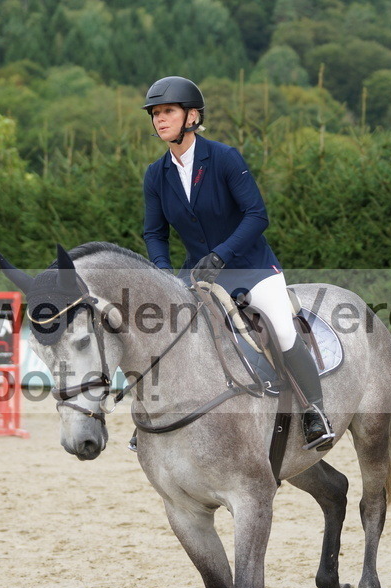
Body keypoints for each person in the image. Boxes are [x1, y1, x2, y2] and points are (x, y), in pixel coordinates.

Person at [141, 75, 334, 451]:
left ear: (192, 116)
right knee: (163, 332)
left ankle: (315, 412)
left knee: (280, 327)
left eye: (168, 111)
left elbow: (256, 216)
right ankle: (153, 416)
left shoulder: (225, 158)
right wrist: (163, 273)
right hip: (196, 274)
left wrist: (221, 254)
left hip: (251, 267)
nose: (159, 119)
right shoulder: (156, 174)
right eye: (155, 114)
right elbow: (154, 233)